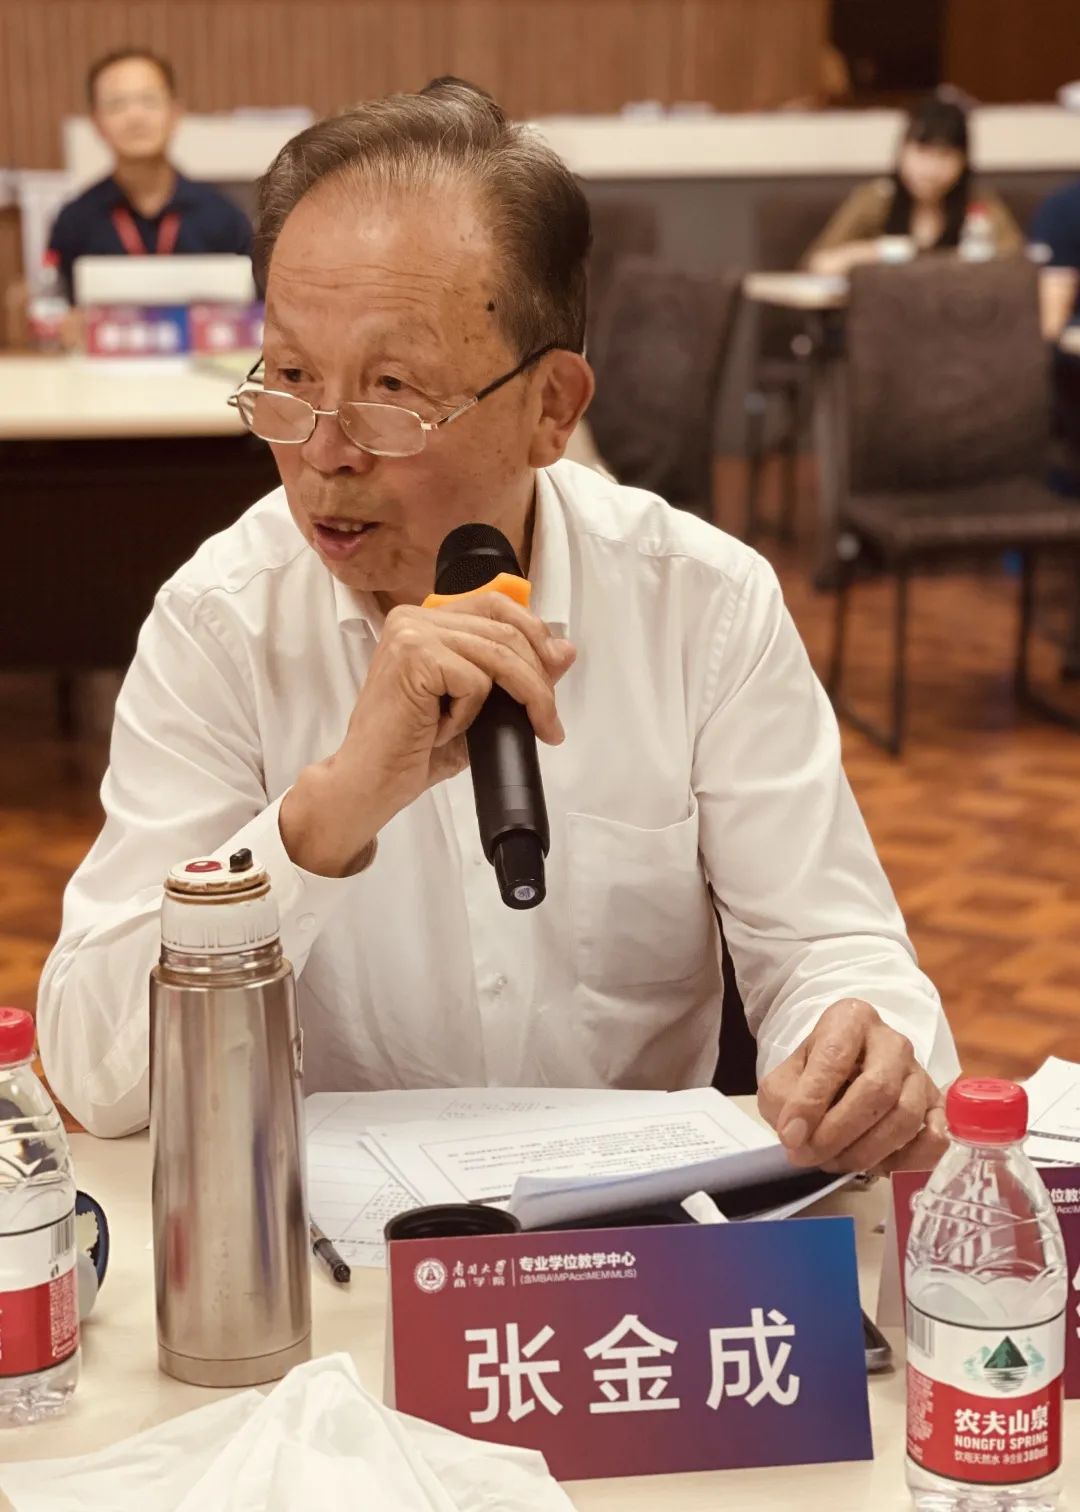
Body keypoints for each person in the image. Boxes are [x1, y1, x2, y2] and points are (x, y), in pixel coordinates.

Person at [39, 83, 959, 1172]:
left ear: (552, 407)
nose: (325, 453)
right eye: (288, 378)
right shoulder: (218, 624)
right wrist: (321, 820)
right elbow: (95, 1073)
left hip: (638, 1233)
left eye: (391, 390)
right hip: (333, 1246)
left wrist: (861, 1046)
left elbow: (831, 947)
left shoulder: (700, 604)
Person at [45, 48, 252, 302]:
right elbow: (55, 305)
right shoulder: (75, 221)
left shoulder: (223, 217)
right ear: (96, 122)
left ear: (175, 112)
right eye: (116, 104)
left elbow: (257, 308)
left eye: (149, 100)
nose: (136, 117)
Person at [804, 96, 1022, 276]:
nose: (931, 169)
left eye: (945, 156)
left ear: (963, 161)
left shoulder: (978, 203)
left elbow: (1017, 263)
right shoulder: (876, 199)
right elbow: (818, 265)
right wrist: (876, 251)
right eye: (922, 152)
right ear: (902, 151)